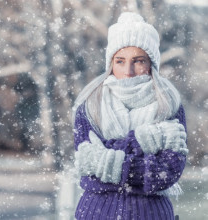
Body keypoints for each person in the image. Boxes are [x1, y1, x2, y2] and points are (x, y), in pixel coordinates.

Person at [72, 12, 188, 220]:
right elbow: (87, 168)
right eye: (120, 61)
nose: (128, 71)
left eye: (138, 60)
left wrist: (110, 162)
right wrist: (143, 142)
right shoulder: (90, 106)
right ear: (110, 63)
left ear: (151, 63)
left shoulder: (169, 105)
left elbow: (168, 172)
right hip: (96, 214)